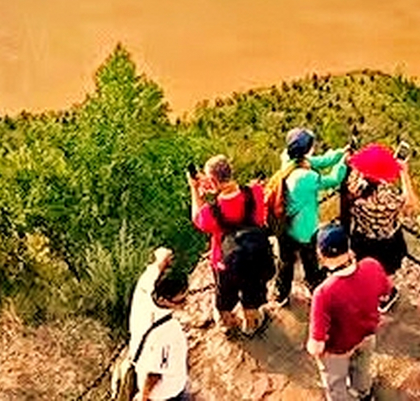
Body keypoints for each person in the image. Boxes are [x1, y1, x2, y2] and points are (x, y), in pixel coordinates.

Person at [191, 155, 275, 337]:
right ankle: (251, 324)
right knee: (252, 293)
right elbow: (258, 215)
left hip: (225, 261)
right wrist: (215, 186)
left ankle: (228, 325)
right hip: (255, 254)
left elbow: (197, 218)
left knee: (225, 297)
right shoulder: (255, 192)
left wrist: (195, 190)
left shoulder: (211, 212)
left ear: (213, 180)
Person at [307, 223, 392, 401]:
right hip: (367, 335)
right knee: (362, 369)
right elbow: (385, 294)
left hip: (339, 348)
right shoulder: (372, 265)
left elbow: (317, 346)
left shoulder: (323, 293)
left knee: (336, 384)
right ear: (348, 246)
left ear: (321, 255)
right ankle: (364, 394)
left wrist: (313, 351)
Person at [274, 128, 349, 306]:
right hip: (303, 229)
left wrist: (339, 153)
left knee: (285, 261)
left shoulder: (287, 158)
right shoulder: (306, 177)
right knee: (310, 260)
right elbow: (333, 179)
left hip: (283, 226)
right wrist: (343, 163)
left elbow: (318, 161)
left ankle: (281, 294)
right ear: (307, 150)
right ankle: (314, 286)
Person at [343, 142, 412, 311]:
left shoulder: (353, 183)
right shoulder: (386, 195)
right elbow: (409, 202)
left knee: (364, 266)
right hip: (386, 242)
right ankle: (385, 297)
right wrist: (404, 174)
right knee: (386, 271)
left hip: (361, 236)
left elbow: (356, 170)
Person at [123, 247, 193, 401]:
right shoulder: (169, 332)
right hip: (163, 394)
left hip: (140, 361)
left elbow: (156, 267)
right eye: (180, 300)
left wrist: (162, 260)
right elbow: (154, 373)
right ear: (163, 300)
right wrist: (144, 397)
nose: (186, 302)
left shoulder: (145, 287)